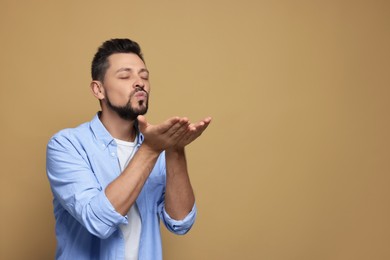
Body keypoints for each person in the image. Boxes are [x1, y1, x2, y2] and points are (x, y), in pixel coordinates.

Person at [46, 38, 211, 260]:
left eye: (144, 76)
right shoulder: (67, 145)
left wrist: (175, 151)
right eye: (125, 76)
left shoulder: (158, 145)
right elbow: (98, 220)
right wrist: (151, 150)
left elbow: (180, 222)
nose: (139, 82)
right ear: (99, 90)